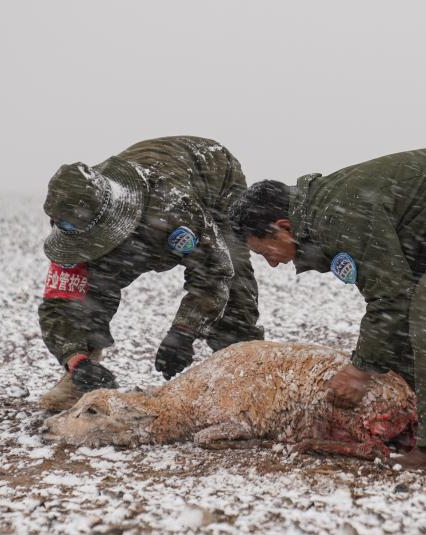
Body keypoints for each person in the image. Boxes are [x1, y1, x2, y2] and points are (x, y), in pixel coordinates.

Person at [228, 145, 426, 472]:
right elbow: (394, 299)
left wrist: (359, 370)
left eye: (264, 251)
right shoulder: (324, 214)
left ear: (283, 227)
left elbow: (390, 299)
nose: (272, 263)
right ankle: (419, 421)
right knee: (418, 306)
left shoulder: (339, 213)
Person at [38, 136, 263, 411]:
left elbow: (215, 271)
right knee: (90, 288)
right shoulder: (72, 221)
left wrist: (183, 331)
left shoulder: (171, 207)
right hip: (141, 207)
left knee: (234, 270)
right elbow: (59, 302)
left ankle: (245, 374)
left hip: (212, 176)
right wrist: (77, 361)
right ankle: (79, 380)